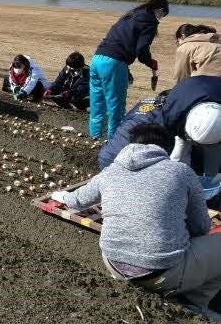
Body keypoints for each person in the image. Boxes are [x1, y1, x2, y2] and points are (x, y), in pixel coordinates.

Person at [52, 124, 221, 322]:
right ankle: (194, 301)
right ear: (166, 149)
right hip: (162, 272)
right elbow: (201, 227)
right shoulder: (181, 172)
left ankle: (177, 285)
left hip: (113, 263)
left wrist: (61, 195)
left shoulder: (111, 171)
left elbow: (76, 200)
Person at [98, 76, 221, 175]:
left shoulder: (157, 108)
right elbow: (172, 164)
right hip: (118, 164)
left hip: (107, 157)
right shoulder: (165, 123)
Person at [89, 0, 169, 139]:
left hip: (97, 59)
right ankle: (114, 140)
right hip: (114, 62)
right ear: (160, 10)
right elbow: (141, 49)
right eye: (163, 15)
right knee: (116, 105)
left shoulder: (130, 16)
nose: (161, 18)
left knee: (97, 101)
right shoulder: (150, 22)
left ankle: (94, 136)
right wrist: (150, 62)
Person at [97, 90, 170, 170]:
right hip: (126, 161)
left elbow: (125, 120)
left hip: (106, 154)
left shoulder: (144, 102)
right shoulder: (166, 109)